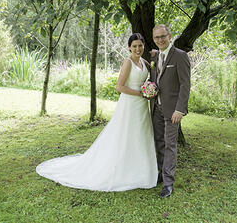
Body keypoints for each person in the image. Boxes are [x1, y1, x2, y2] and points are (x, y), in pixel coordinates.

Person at [36, 33, 158, 191]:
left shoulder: (145, 62)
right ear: (129, 47)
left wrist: (155, 58)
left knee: (141, 134)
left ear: (143, 46)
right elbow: (119, 87)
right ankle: (121, 168)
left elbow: (152, 73)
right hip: (129, 104)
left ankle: (141, 169)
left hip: (141, 106)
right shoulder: (127, 63)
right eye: (134, 46)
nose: (137, 49)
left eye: (140, 46)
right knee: (125, 135)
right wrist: (140, 93)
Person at [150, 24, 191, 198]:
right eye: (157, 37)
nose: (160, 40)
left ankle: (168, 183)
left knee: (170, 146)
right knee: (159, 142)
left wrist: (180, 110)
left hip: (173, 110)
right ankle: (161, 173)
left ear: (170, 35)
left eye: (163, 36)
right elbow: (155, 80)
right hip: (156, 108)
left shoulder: (180, 56)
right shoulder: (155, 56)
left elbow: (185, 85)